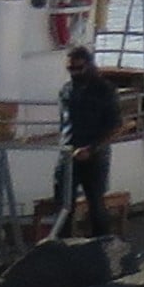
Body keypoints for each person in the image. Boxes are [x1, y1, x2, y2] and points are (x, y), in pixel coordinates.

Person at [55, 46, 122, 240]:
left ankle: (102, 245)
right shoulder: (66, 90)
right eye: (70, 69)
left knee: (96, 204)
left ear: (89, 65)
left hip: (95, 155)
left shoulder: (104, 90)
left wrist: (92, 149)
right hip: (68, 153)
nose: (74, 73)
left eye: (79, 68)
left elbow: (115, 126)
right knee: (63, 205)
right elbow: (64, 123)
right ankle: (62, 248)